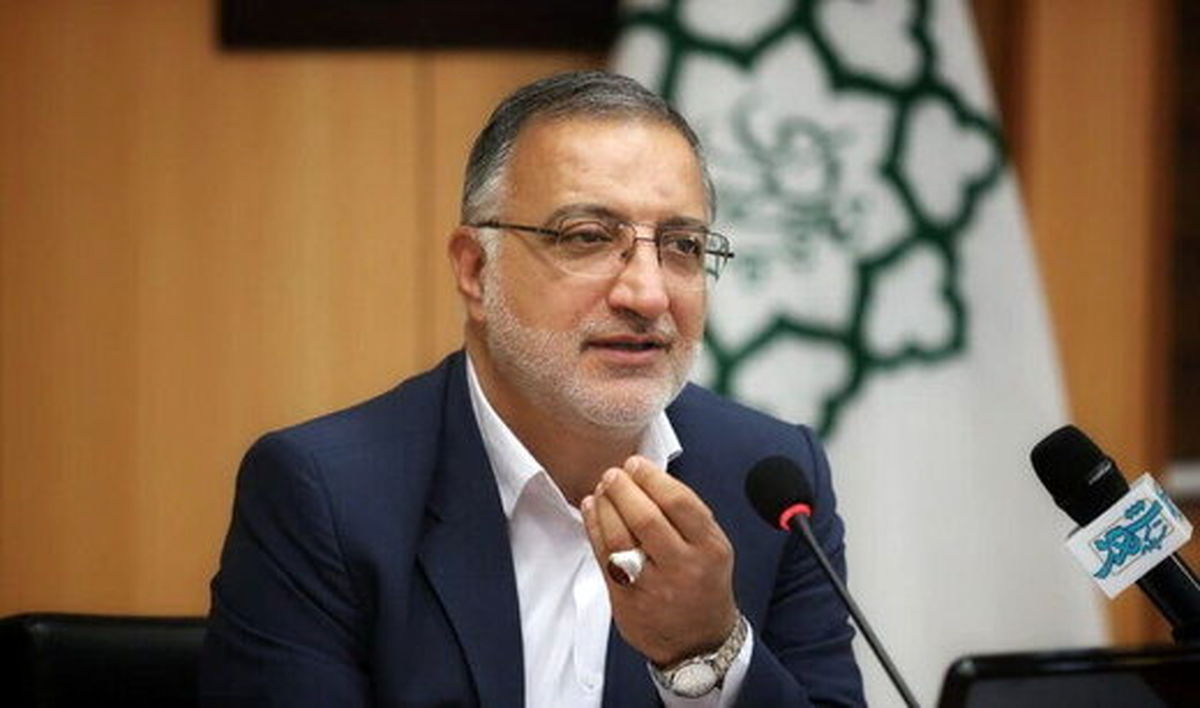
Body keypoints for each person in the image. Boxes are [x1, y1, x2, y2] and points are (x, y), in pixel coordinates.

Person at [199, 71, 864, 707]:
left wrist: (708, 654)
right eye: (587, 237)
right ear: (474, 270)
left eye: (682, 245)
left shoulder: (770, 486)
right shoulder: (325, 494)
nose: (648, 293)